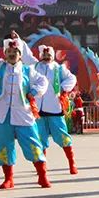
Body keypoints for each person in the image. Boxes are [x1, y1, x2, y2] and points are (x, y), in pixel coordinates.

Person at [0, 19, 51, 189]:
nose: (12, 54)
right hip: (1, 114)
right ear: (5, 53)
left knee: (33, 143)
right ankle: (8, 178)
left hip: (23, 113)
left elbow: (43, 81)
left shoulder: (28, 70)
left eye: (15, 51)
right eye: (9, 51)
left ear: (20, 54)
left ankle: (42, 176)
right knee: (3, 144)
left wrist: (34, 92)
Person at [23, 45, 78, 174]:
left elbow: (72, 78)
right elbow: (25, 54)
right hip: (38, 110)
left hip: (55, 108)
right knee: (40, 138)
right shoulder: (35, 67)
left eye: (49, 55)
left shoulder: (59, 68)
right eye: (44, 55)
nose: (46, 57)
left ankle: (72, 162)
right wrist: (17, 40)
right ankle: (42, 166)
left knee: (63, 137)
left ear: (53, 56)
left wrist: (63, 88)